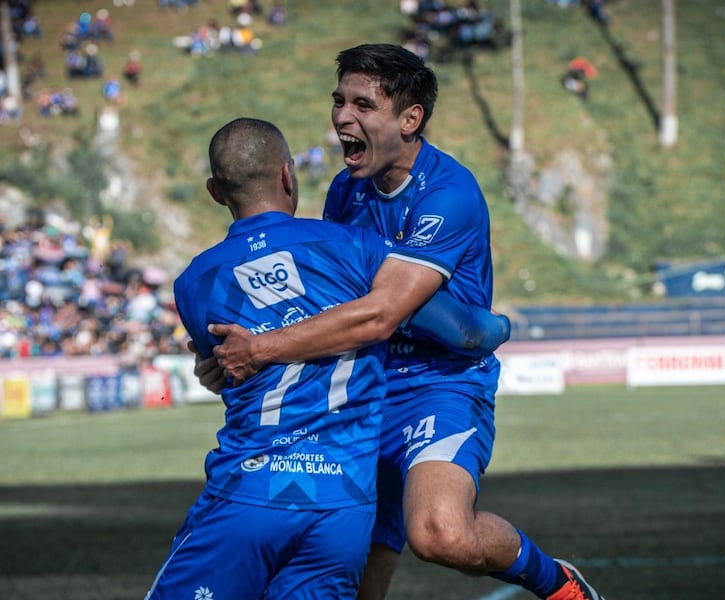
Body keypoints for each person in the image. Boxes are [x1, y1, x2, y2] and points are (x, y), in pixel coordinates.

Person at [199, 45, 605, 600]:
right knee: (344, 573)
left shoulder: (448, 195)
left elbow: (382, 311)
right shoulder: (347, 190)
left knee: (440, 534)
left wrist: (263, 349)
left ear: (410, 119)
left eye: (363, 104)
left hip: (440, 385)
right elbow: (333, 299)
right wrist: (227, 356)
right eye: (339, 101)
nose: (343, 116)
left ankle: (556, 582)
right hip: (366, 386)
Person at [147, 117, 509, 600]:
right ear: (287, 176)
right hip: (341, 506)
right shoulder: (358, 249)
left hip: (250, 492)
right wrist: (501, 326)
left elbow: (224, 369)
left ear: (216, 192)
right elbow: (461, 329)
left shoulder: (194, 284)